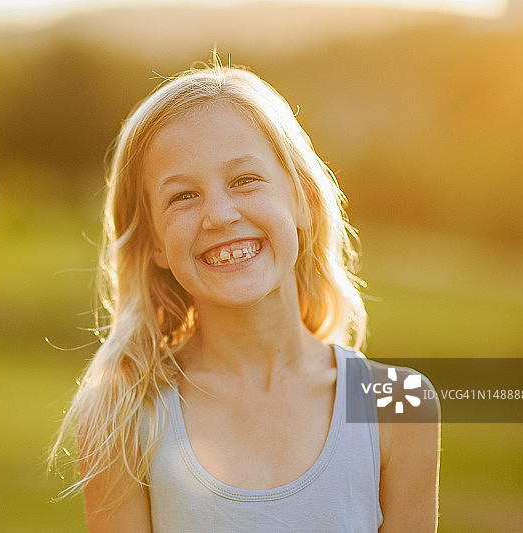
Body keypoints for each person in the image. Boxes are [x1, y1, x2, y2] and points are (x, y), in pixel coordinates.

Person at [51, 57, 440, 532]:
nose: (219, 214)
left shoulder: (399, 403)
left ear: (302, 201)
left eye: (245, 180)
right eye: (182, 196)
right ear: (153, 242)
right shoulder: (126, 412)